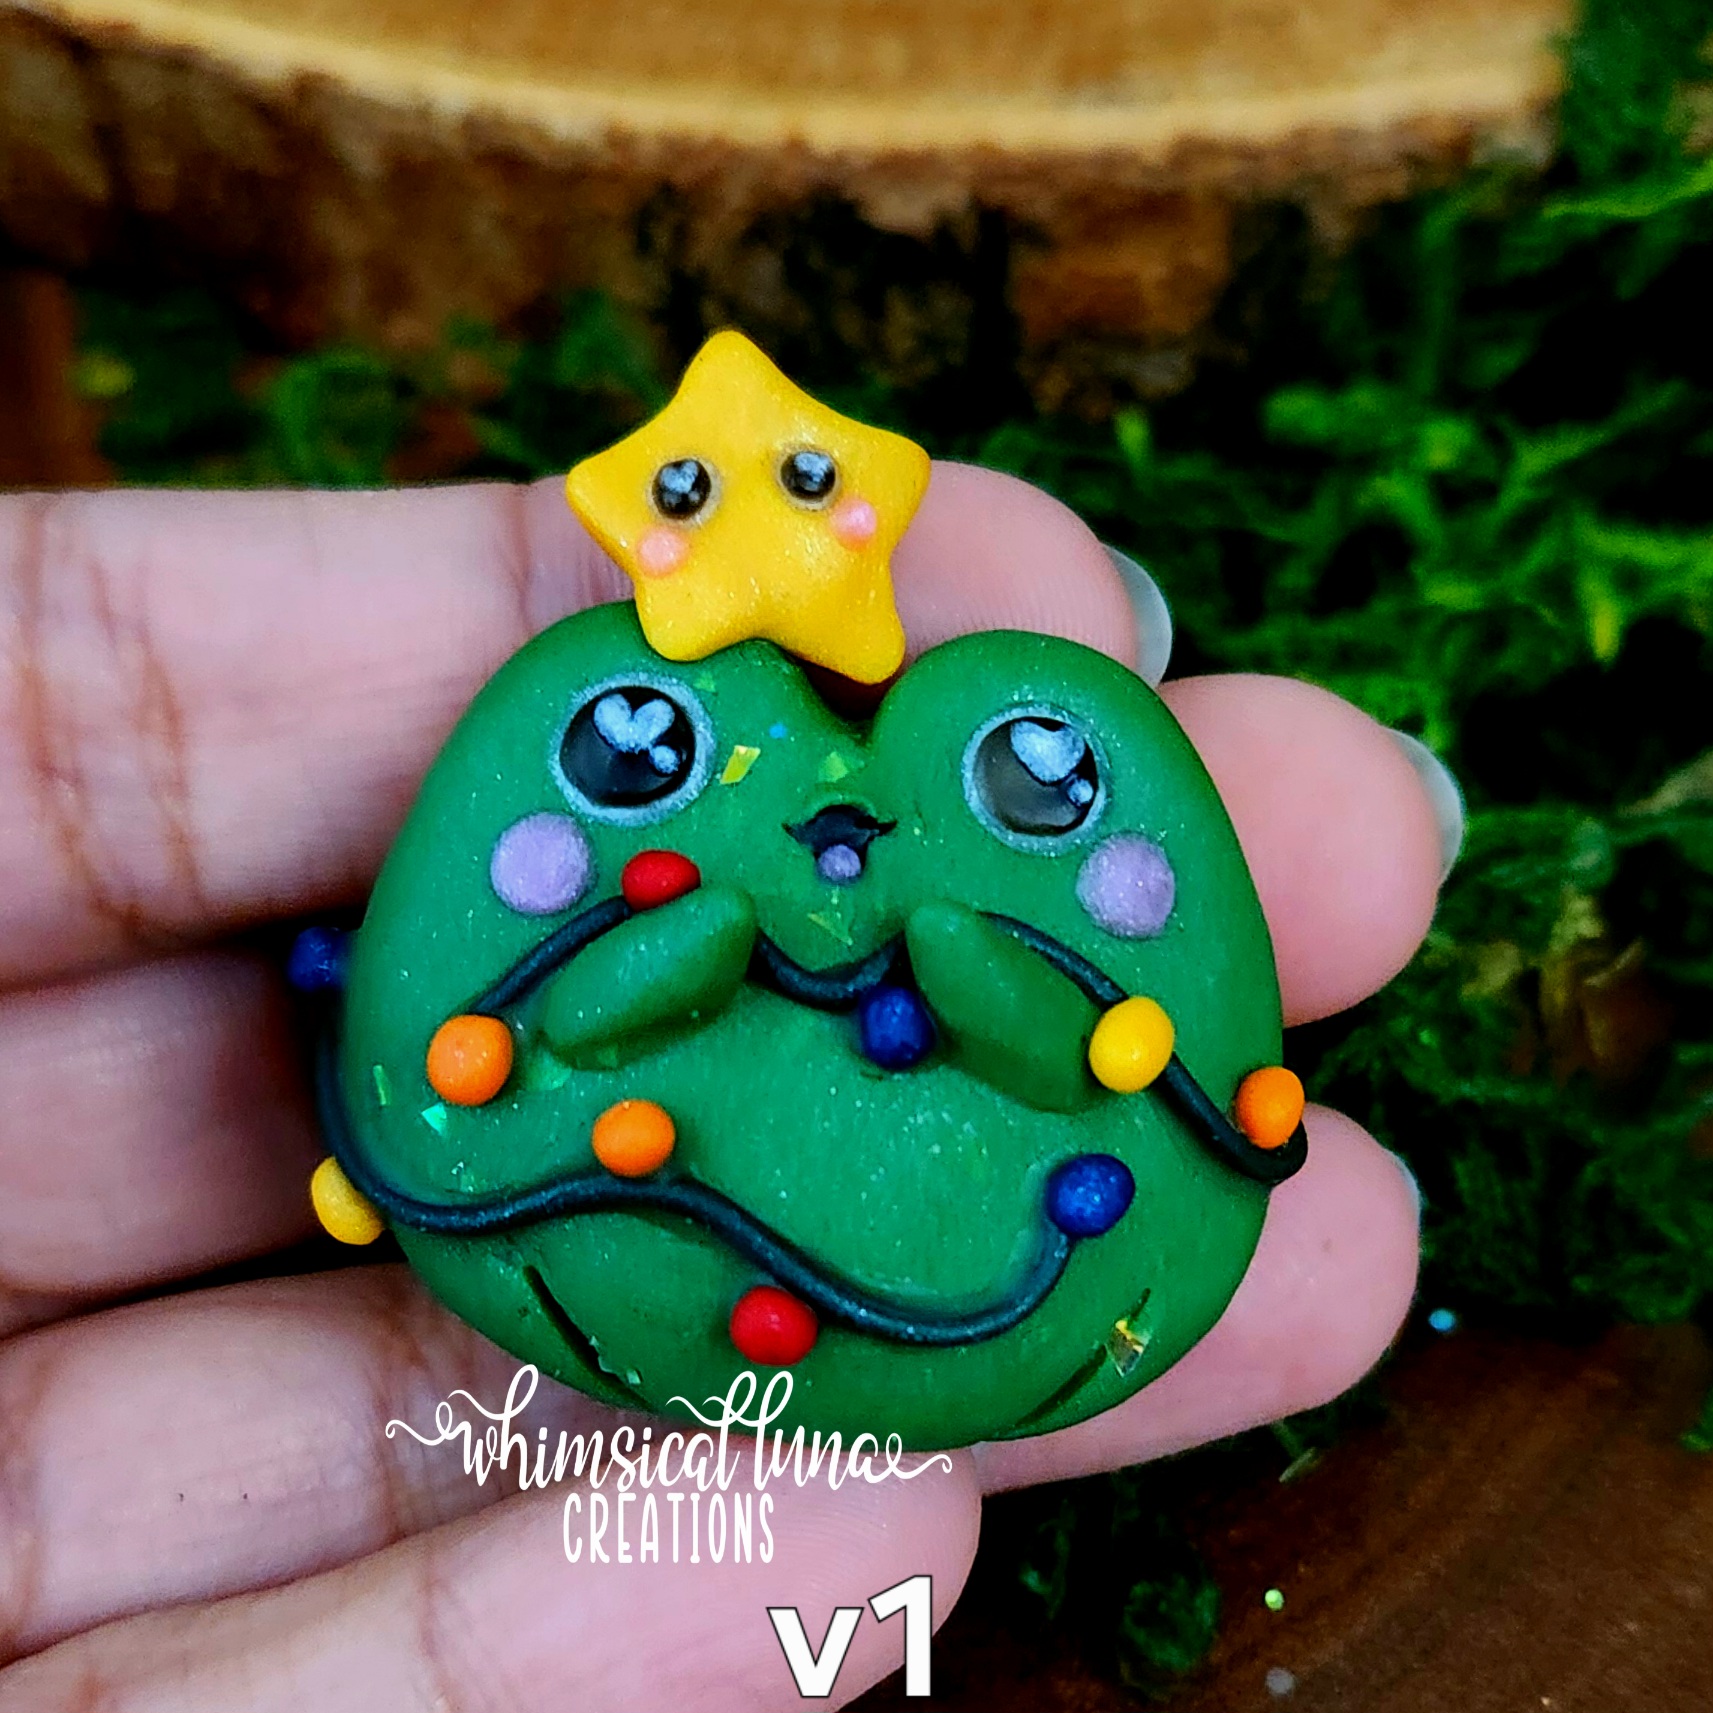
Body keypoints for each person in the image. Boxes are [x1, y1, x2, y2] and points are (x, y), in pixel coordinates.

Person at [0, 462, 1446, 1708]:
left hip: (1031, 1268)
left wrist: (962, 966)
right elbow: (570, 1015)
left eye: (1035, 779)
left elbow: (1074, 1046)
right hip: (601, 1231)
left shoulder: (1035, 942)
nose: (839, 832)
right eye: (636, 756)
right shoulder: (603, 895)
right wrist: (691, 948)